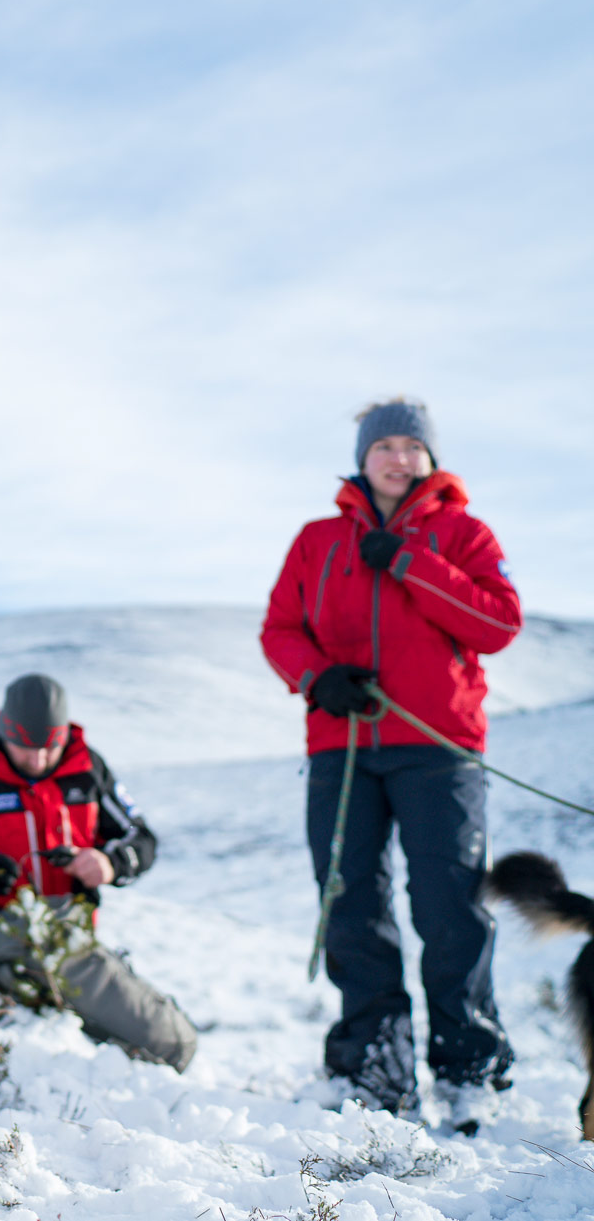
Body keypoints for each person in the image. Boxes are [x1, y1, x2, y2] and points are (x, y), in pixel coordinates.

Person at [261, 397, 521, 1127]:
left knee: (449, 906)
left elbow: (498, 621)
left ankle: (470, 1070)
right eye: (386, 446)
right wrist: (319, 678)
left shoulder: (462, 532)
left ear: (430, 458)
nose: (399, 458)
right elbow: (281, 628)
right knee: (351, 904)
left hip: (439, 749)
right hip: (341, 748)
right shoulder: (316, 539)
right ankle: (374, 1070)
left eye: (413, 445)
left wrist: (410, 561)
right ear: (363, 456)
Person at [0, 674, 196, 1072]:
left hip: (75, 934)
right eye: (25, 749)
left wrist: (109, 863)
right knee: (171, 1041)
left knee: (148, 1035)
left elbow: (142, 839)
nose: (39, 761)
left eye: (51, 748)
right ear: (2, 732)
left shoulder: (88, 769)